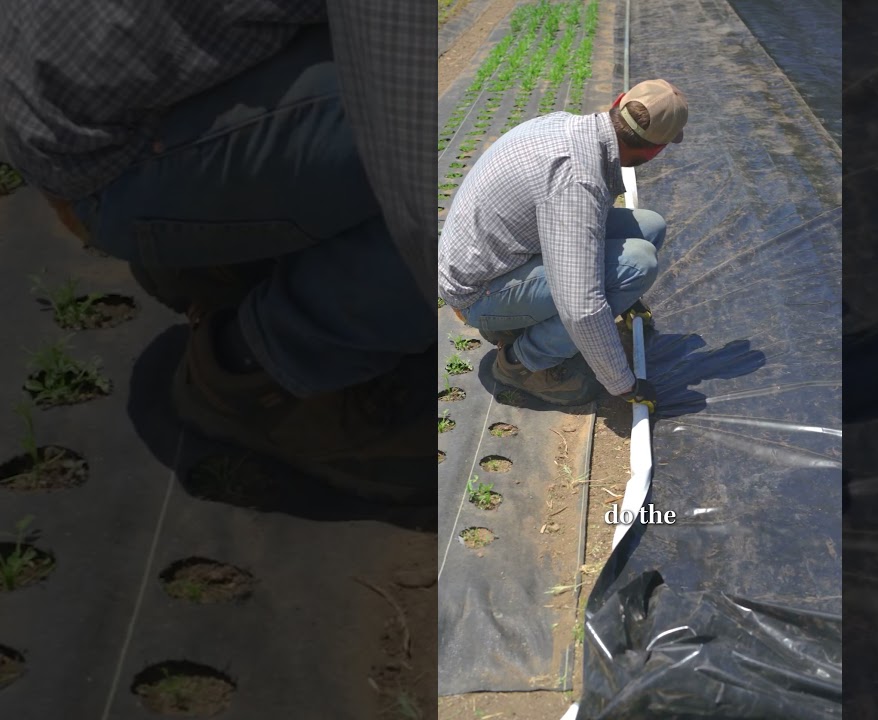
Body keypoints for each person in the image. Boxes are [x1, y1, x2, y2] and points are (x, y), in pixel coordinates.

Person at [0, 4, 437, 503]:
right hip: (105, 159)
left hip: (74, 94)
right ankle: (267, 371)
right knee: (442, 155)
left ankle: (222, 259)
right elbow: (416, 184)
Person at [437, 79, 687, 410]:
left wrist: (619, 298)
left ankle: (522, 325)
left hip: (491, 258)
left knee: (649, 227)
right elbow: (580, 308)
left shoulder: (568, 126)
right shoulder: (577, 181)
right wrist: (623, 384)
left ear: (618, 102)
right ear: (655, 150)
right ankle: (520, 363)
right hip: (476, 294)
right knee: (637, 266)